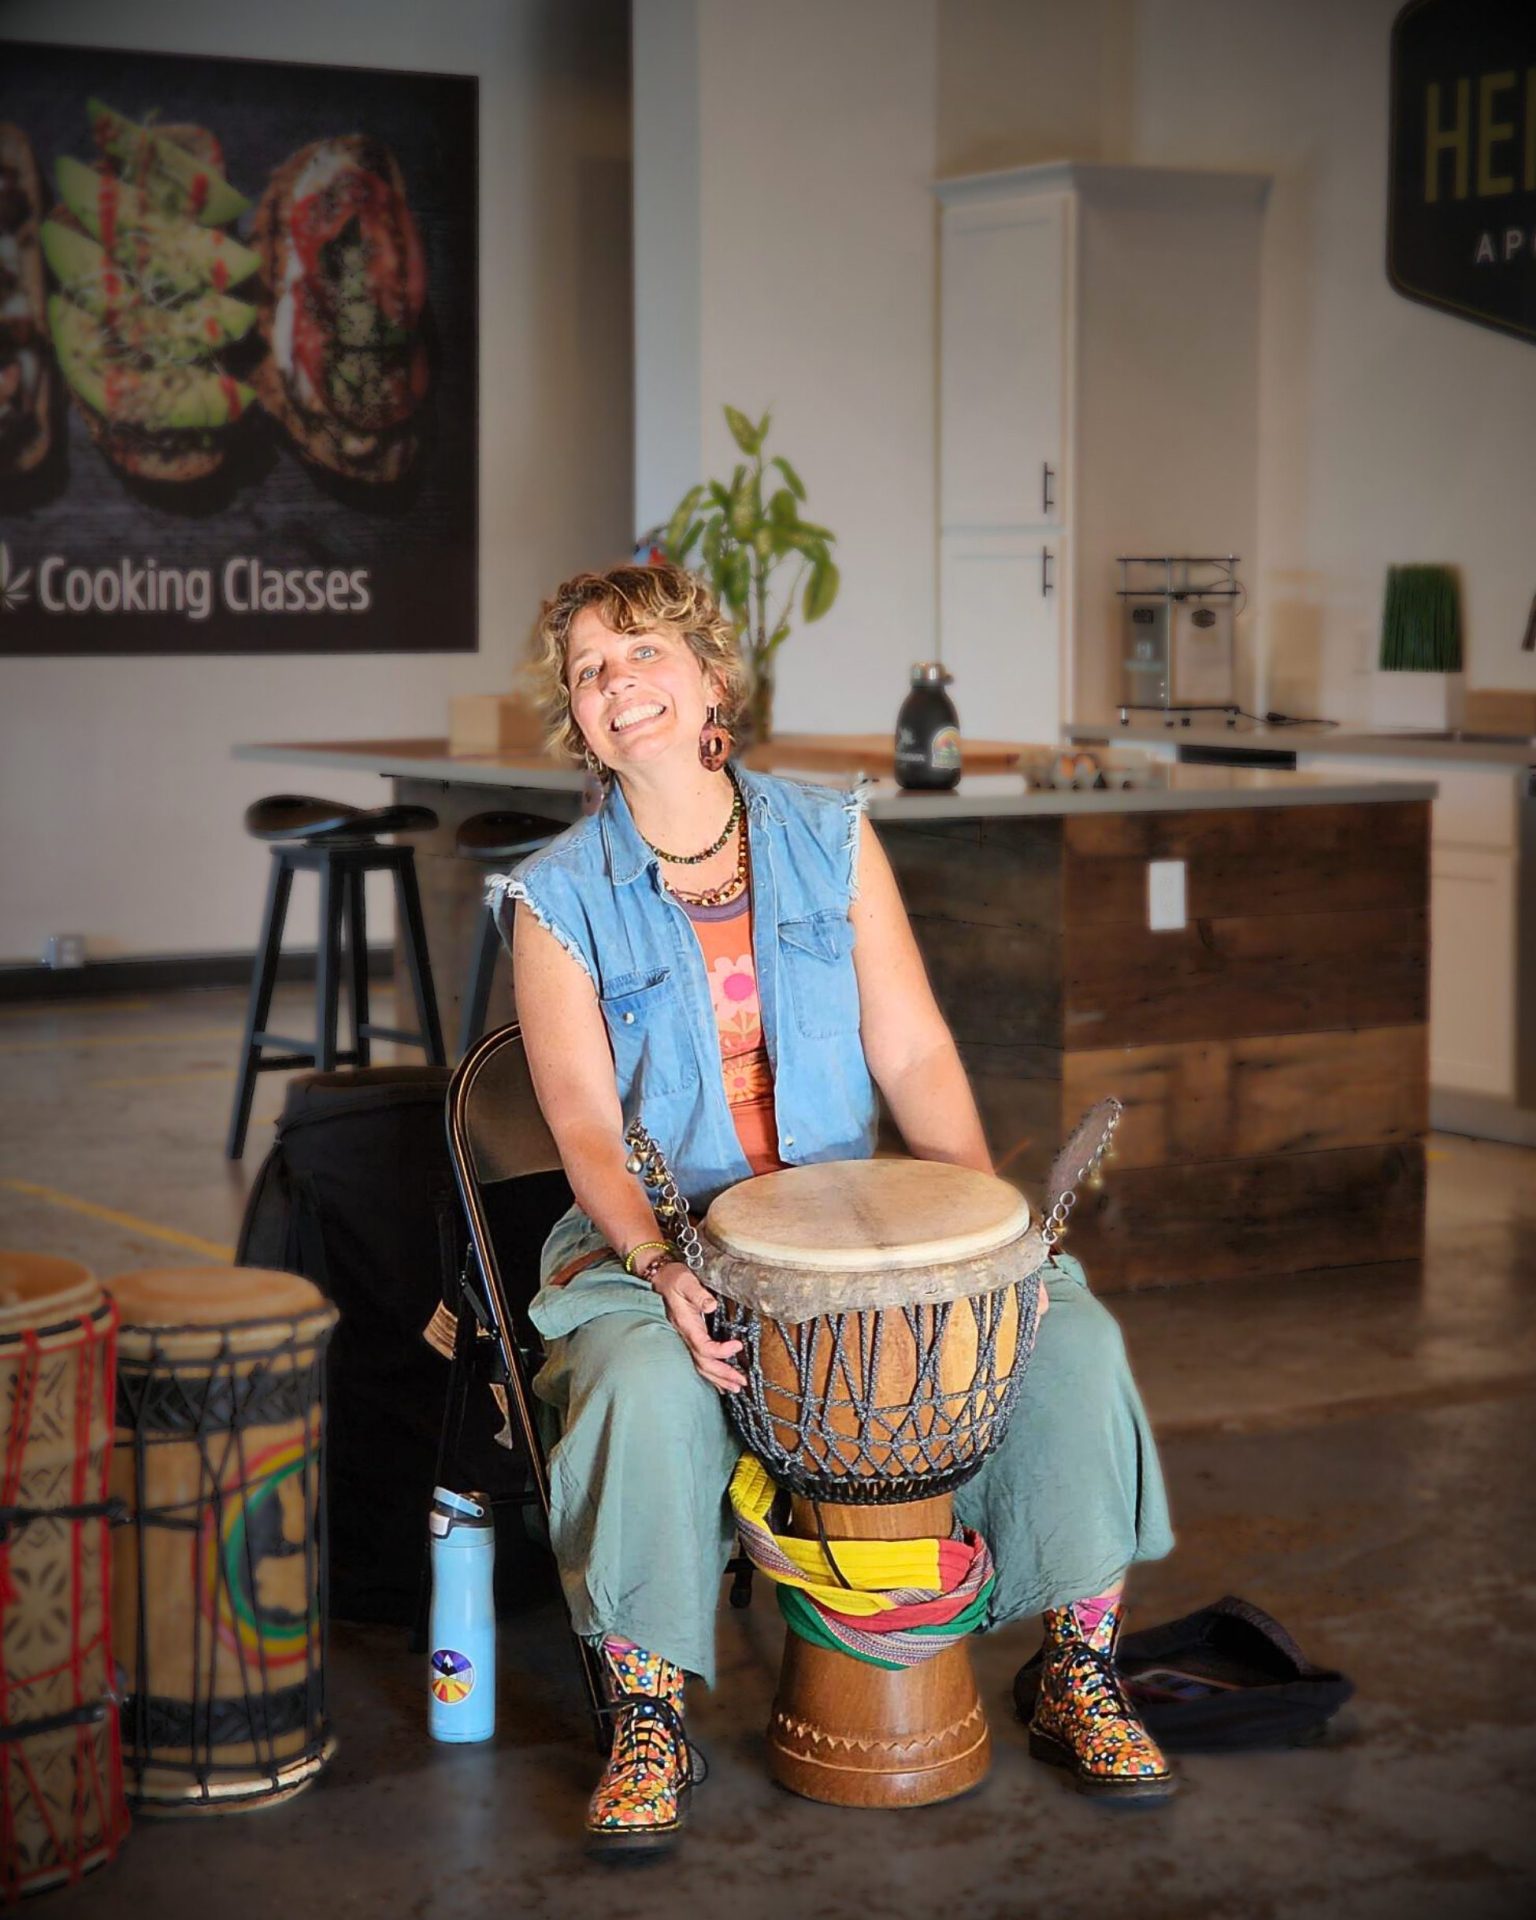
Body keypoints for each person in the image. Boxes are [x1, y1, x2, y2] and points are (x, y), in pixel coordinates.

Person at [494, 562, 1176, 1857]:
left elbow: (914, 1054)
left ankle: (1074, 1672)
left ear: (707, 681)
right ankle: (646, 1713)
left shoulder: (826, 832)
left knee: (1070, 1338)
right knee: (641, 1385)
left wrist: (990, 1240)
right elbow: (582, 1126)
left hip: (849, 1228)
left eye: (641, 656)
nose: (617, 685)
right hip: (655, 1242)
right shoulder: (558, 900)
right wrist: (657, 1263)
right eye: (589, 672)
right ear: (574, 716)